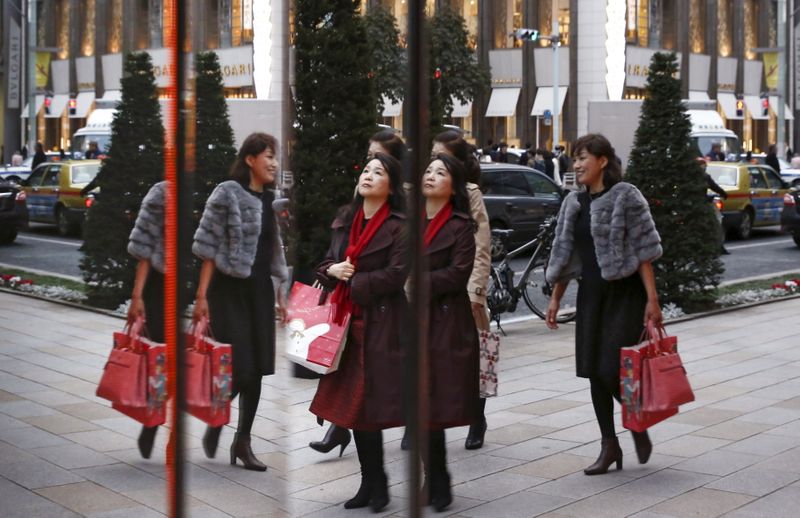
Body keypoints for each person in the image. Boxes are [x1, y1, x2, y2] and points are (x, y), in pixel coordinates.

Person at [545, 133, 663, 476]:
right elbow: (565, 255)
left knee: (609, 367)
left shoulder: (626, 196)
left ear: (603, 161)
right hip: (591, 295)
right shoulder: (573, 203)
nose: (577, 164)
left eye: (584, 157)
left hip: (624, 293)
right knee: (593, 371)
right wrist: (555, 297)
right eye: (575, 158)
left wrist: (652, 300)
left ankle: (637, 426)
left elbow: (645, 251)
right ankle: (609, 445)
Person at [309, 152, 408, 512]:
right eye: (365, 169)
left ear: (391, 186)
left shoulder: (399, 226)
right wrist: (332, 270)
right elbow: (324, 263)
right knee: (354, 409)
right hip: (344, 325)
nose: (368, 175)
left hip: (381, 322)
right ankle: (370, 482)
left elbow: (398, 274)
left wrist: (358, 279)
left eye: (378, 172)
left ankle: (379, 483)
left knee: (369, 406)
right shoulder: (345, 219)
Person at [192, 132, 289, 471]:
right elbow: (207, 246)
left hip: (259, 291)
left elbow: (273, 250)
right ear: (250, 159)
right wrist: (202, 296)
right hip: (228, 290)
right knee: (242, 367)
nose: (274, 162)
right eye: (268, 155)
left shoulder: (269, 199)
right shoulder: (227, 193)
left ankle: (242, 443)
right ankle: (217, 419)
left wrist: (281, 294)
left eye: (276, 156)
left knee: (258, 369)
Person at [421, 153, 479, 511]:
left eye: (440, 172)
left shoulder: (460, 226)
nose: (430, 176)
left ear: (453, 185)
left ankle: (438, 479)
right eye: (428, 170)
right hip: (405, 320)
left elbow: (458, 274)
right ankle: (433, 476)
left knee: (432, 403)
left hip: (443, 321)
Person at [430, 130, 491, 450]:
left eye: (441, 155)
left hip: (463, 291)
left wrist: (475, 292)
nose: (434, 160)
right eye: (432, 154)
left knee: (475, 357)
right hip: (431, 292)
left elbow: (482, 247)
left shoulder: (470, 194)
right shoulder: (425, 191)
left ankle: (477, 418)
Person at [126, 181, 168, 459]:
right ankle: (151, 422)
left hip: (192, 290)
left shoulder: (204, 193)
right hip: (160, 289)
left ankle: (155, 420)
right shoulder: (161, 193)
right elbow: (144, 250)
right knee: (160, 363)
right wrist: (137, 295)